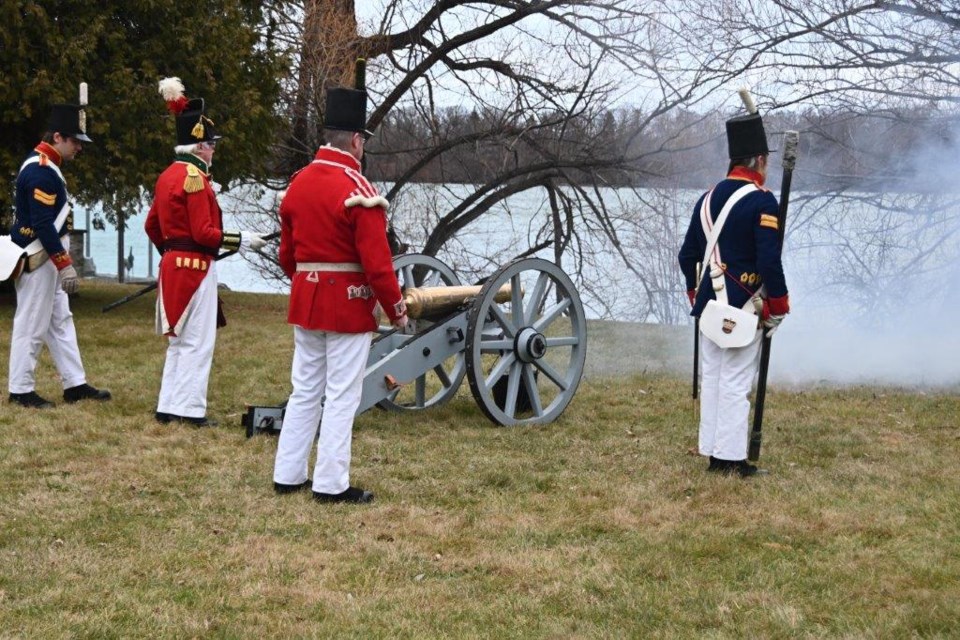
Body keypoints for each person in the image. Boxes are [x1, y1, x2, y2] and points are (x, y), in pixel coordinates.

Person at [272, 85, 407, 504]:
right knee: (342, 394)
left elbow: (287, 257)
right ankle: (331, 484)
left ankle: (288, 473)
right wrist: (397, 308)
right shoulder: (359, 189)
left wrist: (308, 280)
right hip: (347, 303)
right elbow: (378, 264)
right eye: (363, 140)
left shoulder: (298, 183)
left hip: (307, 300)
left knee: (306, 389)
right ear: (355, 140)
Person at [145, 77, 266, 426]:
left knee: (179, 342)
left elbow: (152, 226)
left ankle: (168, 407)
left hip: (172, 265)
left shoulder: (167, 175)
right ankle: (190, 411)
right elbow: (204, 232)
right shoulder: (195, 179)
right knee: (198, 343)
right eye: (211, 145)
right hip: (196, 267)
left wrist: (170, 250)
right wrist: (242, 239)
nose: (214, 150)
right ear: (199, 147)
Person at [678, 110, 790, 477]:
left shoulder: (707, 199)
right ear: (759, 161)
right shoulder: (762, 201)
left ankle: (714, 454)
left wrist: (697, 294)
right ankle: (731, 461)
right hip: (744, 307)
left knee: (713, 378)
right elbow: (769, 262)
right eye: (767, 161)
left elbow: (687, 256)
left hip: (710, 308)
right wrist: (778, 305)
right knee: (737, 382)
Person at [6, 102, 111, 409]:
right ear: (57, 137)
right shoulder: (41, 171)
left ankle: (74, 384)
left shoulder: (49, 167)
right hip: (39, 259)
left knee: (60, 321)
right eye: (74, 141)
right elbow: (41, 224)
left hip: (48, 259)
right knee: (31, 324)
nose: (79, 147)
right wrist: (64, 263)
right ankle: (20, 389)